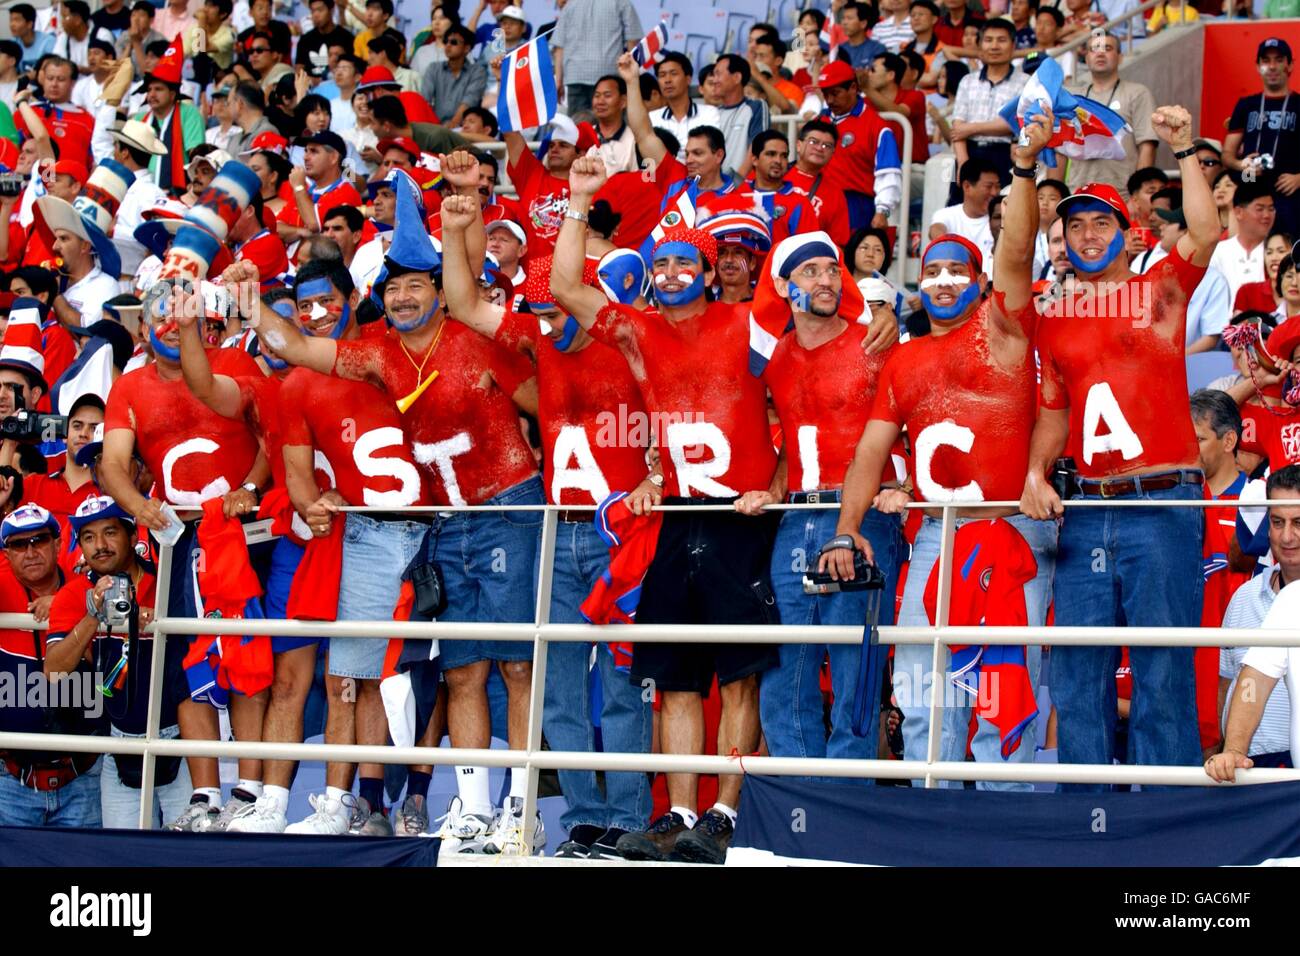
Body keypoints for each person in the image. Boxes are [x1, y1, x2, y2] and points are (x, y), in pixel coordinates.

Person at [251, 152, 545, 854]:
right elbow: (293, 345)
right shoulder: (381, 355)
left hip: (509, 506)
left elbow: (548, 408)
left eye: (416, 285)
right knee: (463, 670)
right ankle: (473, 810)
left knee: (518, 667)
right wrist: (243, 297)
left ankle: (522, 808)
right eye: (394, 288)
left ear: (439, 290)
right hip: (444, 523)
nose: (405, 298)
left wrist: (464, 212)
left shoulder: (474, 336)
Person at [554, 155, 784, 865]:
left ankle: (723, 813)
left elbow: (798, 406)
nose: (674, 271)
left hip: (740, 517)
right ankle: (680, 812)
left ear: (710, 272)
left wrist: (776, 486)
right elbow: (564, 288)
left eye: (687, 261)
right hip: (677, 517)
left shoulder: (748, 322)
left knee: (739, 675)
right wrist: (579, 199)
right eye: (663, 262)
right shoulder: (639, 330)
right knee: (676, 677)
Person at [822, 105, 1056, 790]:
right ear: (918, 285)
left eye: (958, 269)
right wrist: (846, 529)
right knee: (924, 694)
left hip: (1009, 528)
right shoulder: (903, 357)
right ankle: (934, 817)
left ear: (981, 282)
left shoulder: (1004, 331)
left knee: (1002, 693)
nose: (945, 280)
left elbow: (1017, 249)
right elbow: (869, 454)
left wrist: (1021, 168)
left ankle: (1006, 825)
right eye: (933, 271)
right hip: (935, 535)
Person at [1021, 106, 1221, 790]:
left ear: (1129, 235)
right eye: (1074, 225)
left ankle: (1164, 816)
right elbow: (1054, 413)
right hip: (1085, 507)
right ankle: (1085, 812)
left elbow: (1206, 231)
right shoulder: (1055, 319)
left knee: (1161, 669)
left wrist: (1184, 147)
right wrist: (1035, 471)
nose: (1086, 234)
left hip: (1162, 503)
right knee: (1079, 669)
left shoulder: (1159, 290)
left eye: (1100, 223)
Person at [99, 241, 271, 830]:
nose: (173, 325)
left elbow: (272, 437)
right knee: (186, 664)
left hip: (245, 534)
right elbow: (113, 464)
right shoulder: (129, 387)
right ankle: (205, 797)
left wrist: (250, 486)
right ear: (144, 328)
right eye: (161, 315)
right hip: (177, 542)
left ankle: (249, 790)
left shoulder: (236, 363)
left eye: (183, 312)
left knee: (244, 656)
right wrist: (139, 505)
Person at [732, 228, 901, 780]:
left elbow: (915, 416)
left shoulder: (874, 341)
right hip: (795, 517)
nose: (826, 279)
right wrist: (775, 489)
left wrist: (906, 485)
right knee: (785, 669)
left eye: (832, 269)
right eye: (810, 272)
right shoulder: (775, 356)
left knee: (855, 667)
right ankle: (801, 798)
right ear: (783, 286)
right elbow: (796, 435)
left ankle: (845, 799)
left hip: (864, 516)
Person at [43, 496, 187, 829]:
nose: (100, 546)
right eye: (88, 537)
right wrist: (94, 615)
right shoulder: (74, 594)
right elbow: (54, 671)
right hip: (117, 746)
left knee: (190, 851)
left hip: (181, 742)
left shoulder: (167, 578)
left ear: (133, 536)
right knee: (126, 853)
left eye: (110, 532)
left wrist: (154, 619)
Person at [0, 502, 103, 828]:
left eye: (39, 540)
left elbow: (122, 585)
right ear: (7, 553)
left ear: (58, 544)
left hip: (85, 778)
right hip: (11, 781)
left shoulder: (88, 585)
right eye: (19, 544)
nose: (30, 552)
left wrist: (63, 603)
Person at [1206, 464, 1300, 781]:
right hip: (1248, 768)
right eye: (1277, 522)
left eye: (1299, 523)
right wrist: (1230, 748)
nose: (1287, 536)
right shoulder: (1245, 597)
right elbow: (1244, 681)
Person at [1062, 33, 1157, 197]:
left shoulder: (1137, 93)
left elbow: (1147, 145)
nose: (1100, 53)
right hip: (1077, 192)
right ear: (1086, 58)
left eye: (1107, 48)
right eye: (1094, 49)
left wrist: (1137, 195)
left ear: (1120, 57)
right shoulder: (1073, 99)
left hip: (1122, 194)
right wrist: (1056, 193)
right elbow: (1060, 151)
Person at [814, 59, 901, 231]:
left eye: (835, 93)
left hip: (856, 206)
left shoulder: (876, 126)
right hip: (818, 201)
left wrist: (882, 211)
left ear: (853, 88)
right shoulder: (818, 121)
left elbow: (888, 173)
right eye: (825, 94)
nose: (829, 100)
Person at [1224, 39, 1300, 236]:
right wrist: (1242, 165)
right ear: (1258, 66)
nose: (1272, 66)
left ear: (1290, 65)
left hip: (1290, 196)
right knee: (1248, 246)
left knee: (1288, 248)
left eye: (1279, 60)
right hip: (1251, 190)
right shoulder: (1246, 105)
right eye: (1266, 61)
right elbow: (1227, 155)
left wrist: (1299, 178)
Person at [1138, 204, 1232, 354]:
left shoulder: (1214, 281)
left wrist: (1174, 359)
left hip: (1190, 364)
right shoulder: (1153, 269)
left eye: (1169, 223)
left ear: (1187, 232)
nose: (1162, 227)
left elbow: (1211, 337)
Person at [949, 20, 1027, 185]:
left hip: (1004, 155)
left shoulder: (1025, 82)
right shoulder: (967, 81)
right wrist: (963, 163)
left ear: (1013, 45)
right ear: (980, 45)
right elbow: (957, 129)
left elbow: (1014, 123)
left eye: (1001, 40)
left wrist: (971, 128)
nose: (994, 46)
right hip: (968, 153)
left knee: (1002, 201)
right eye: (988, 40)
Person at [550, 0, 642, 115]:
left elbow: (559, 47)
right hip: (609, 76)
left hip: (576, 76)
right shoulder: (621, 2)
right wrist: (632, 76)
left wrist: (558, 81)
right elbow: (633, 40)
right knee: (611, 123)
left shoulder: (571, 4)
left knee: (579, 124)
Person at [784, 120, 853, 247]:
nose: (820, 148)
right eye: (813, 142)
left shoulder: (835, 194)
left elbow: (838, 245)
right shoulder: (775, 175)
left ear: (832, 153)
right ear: (798, 145)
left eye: (827, 145)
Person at [928, 156, 1000, 272]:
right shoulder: (946, 214)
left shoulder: (1000, 218)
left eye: (997, 186)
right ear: (967, 186)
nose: (994, 192)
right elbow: (936, 230)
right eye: (989, 187)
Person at [747, 130, 819, 246]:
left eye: (784, 156)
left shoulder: (800, 203)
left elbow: (808, 249)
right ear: (755, 160)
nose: (778, 161)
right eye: (771, 154)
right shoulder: (737, 196)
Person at [1210, 181, 1276, 304]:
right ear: (1239, 212)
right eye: (1260, 209)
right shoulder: (1218, 252)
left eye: (1271, 209)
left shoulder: (1278, 252)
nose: (1267, 215)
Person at [651, 52, 722, 163]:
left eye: (673, 73)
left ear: (688, 79)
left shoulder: (710, 113)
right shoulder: (652, 118)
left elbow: (711, 153)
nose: (667, 80)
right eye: (662, 75)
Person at [708, 54, 770, 179]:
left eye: (718, 74)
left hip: (741, 185)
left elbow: (757, 146)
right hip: (715, 185)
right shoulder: (713, 113)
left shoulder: (756, 106)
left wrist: (736, 182)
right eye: (713, 75)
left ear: (737, 77)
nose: (714, 80)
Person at [420, 24, 485, 130]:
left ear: (467, 48)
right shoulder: (433, 68)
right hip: (435, 127)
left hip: (464, 129)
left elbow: (469, 102)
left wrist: (451, 126)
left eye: (454, 42)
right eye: (446, 41)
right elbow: (424, 101)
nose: (448, 45)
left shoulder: (477, 71)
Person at [297, 0, 353, 81]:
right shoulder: (305, 40)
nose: (316, 15)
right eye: (313, 11)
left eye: (320, 10)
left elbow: (352, 68)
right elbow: (299, 69)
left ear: (331, 10)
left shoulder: (346, 37)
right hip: (311, 85)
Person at [838, 1, 886, 70]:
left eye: (849, 18)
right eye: (843, 18)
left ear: (863, 24)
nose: (844, 22)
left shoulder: (877, 49)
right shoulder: (839, 50)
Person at [10, 3, 55, 73]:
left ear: (29, 24)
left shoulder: (48, 41)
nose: (12, 24)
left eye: (17, 20)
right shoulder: (13, 43)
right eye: (11, 20)